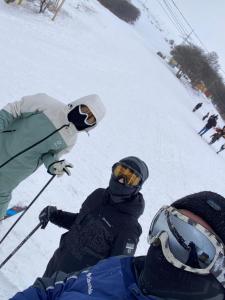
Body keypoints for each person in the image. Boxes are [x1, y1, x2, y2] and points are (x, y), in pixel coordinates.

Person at [11, 191, 225, 300]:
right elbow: (54, 288)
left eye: (192, 246)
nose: (162, 244)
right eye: (165, 226)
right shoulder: (122, 268)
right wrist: (56, 215)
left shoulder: (128, 228)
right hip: (61, 259)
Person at [0, 93, 105, 220]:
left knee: (2, 193)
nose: (84, 116)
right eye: (85, 110)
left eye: (90, 118)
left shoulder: (70, 140)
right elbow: (15, 108)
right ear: (79, 103)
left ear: (92, 125)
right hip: (3, 143)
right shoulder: (46, 103)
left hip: (18, 169)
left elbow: (50, 155)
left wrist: (53, 164)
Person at [39, 156, 149, 277]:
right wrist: (55, 215)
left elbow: (116, 270)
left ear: (137, 187)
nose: (121, 180)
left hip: (76, 287)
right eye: (120, 172)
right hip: (56, 265)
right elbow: (80, 224)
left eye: (130, 179)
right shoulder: (98, 196)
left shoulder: (129, 227)